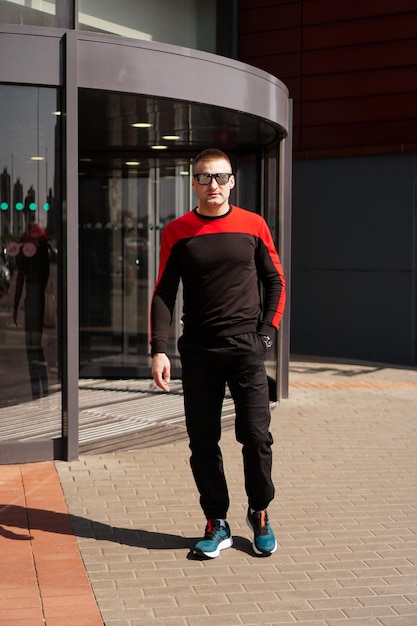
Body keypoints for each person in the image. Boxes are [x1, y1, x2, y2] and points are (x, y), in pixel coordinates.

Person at [151, 148, 286, 558]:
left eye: (221, 177)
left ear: (233, 182)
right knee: (203, 441)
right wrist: (159, 350)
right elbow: (162, 294)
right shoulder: (177, 231)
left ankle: (259, 512)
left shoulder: (253, 225)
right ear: (193, 182)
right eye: (205, 177)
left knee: (257, 437)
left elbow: (275, 282)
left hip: (246, 349)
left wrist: (264, 336)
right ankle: (217, 521)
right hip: (199, 351)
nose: (214, 185)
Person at [13, 215, 50, 399]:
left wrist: (16, 304)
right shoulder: (40, 236)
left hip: (33, 295)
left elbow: (21, 275)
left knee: (33, 346)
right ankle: (42, 388)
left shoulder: (31, 237)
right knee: (36, 346)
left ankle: (39, 389)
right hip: (36, 295)